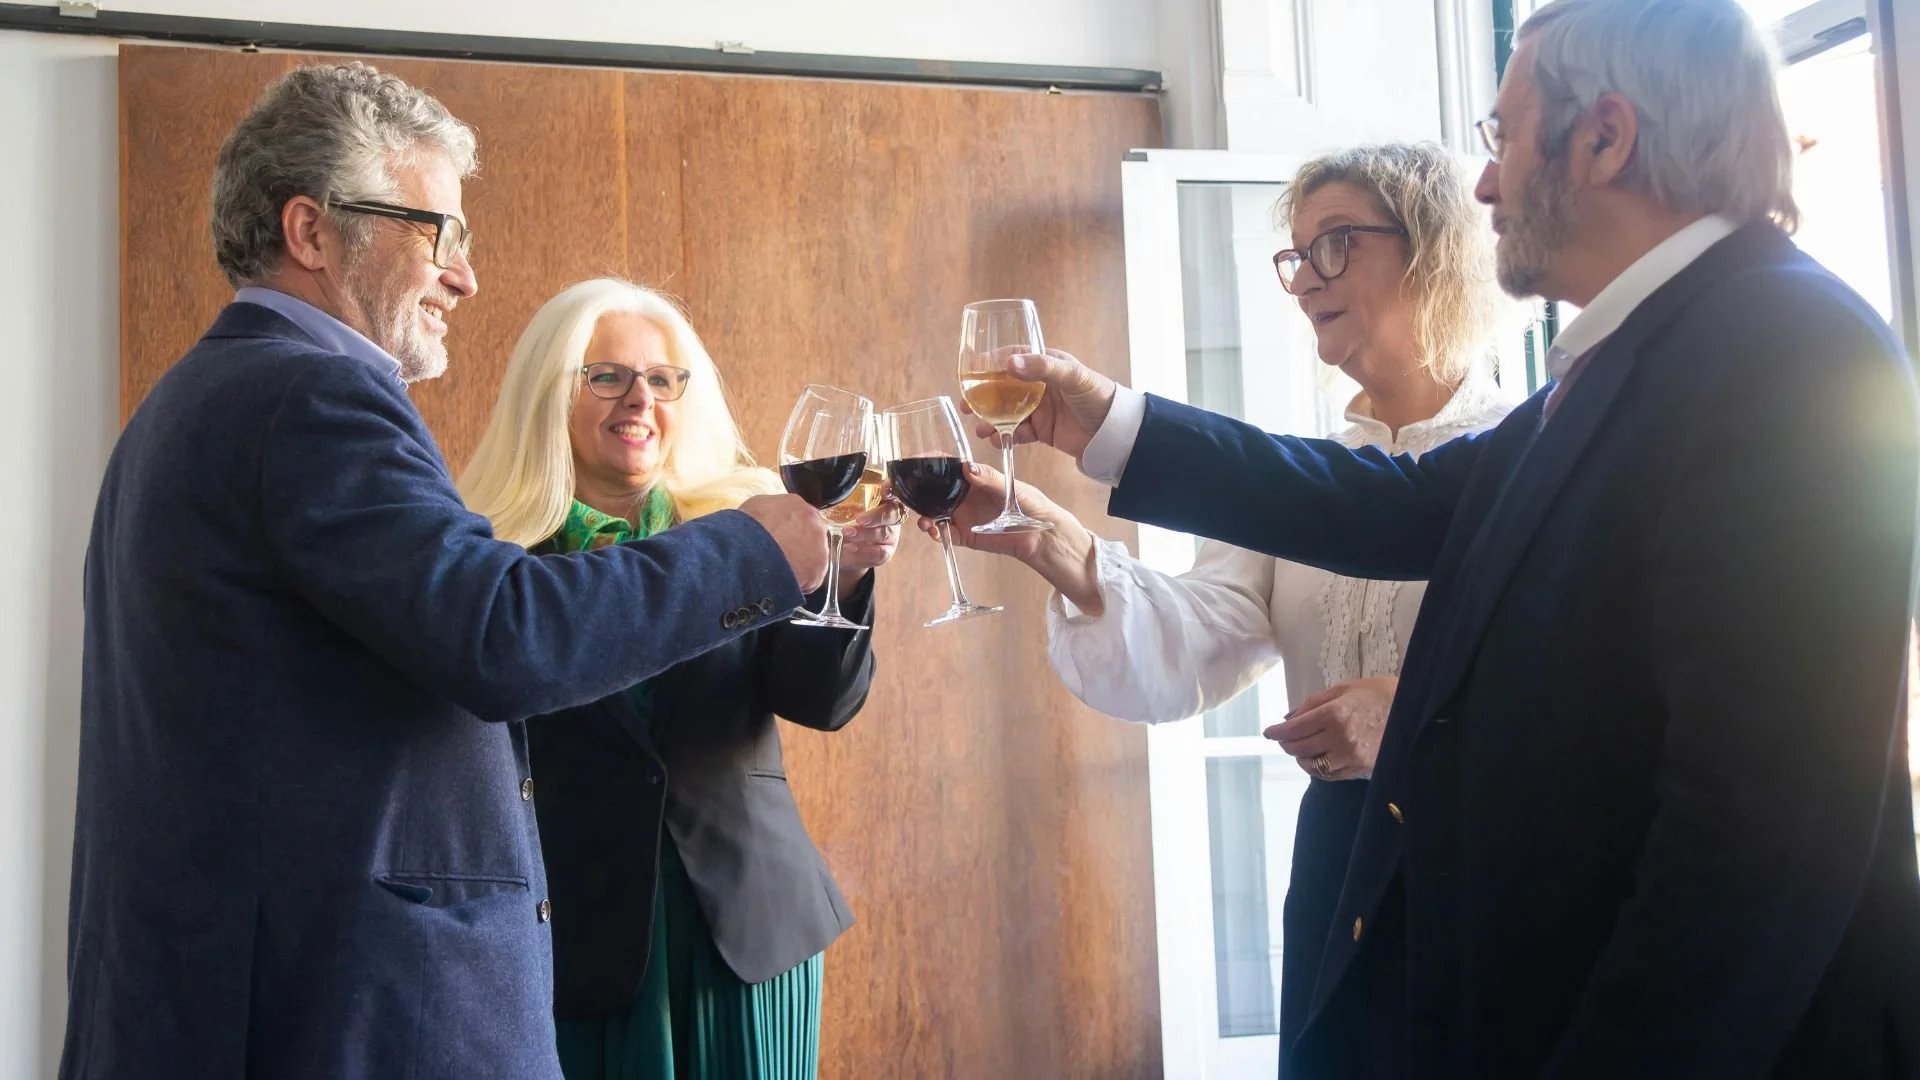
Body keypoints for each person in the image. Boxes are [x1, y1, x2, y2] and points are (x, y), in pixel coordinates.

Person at [975, 1, 1920, 1075]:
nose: (1483, 186)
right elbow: (1392, 505)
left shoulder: (1786, 348)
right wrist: (1108, 421)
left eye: (1502, 139)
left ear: (1606, 138)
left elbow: (1757, 849)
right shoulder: (1628, 361)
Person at [63, 64, 830, 1080]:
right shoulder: (315, 401)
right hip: (344, 1016)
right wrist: (756, 546)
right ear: (312, 231)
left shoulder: (194, 403)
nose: (463, 274)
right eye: (439, 232)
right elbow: (502, 635)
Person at [934, 144, 1513, 1059]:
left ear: (1433, 249)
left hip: (1494, 867)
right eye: (1296, 255)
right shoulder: (1305, 479)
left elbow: (1594, 685)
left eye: (1336, 244)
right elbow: (1203, 640)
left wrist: (1412, 720)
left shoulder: (1522, 455)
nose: (1305, 280)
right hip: (1338, 865)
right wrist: (1057, 543)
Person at [459, 278, 894, 1080]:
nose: (640, 400)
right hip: (581, 942)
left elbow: (822, 701)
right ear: (548, 397)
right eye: (607, 376)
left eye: (662, 380)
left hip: (750, 932)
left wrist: (846, 579)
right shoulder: (494, 568)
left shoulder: (742, 534)